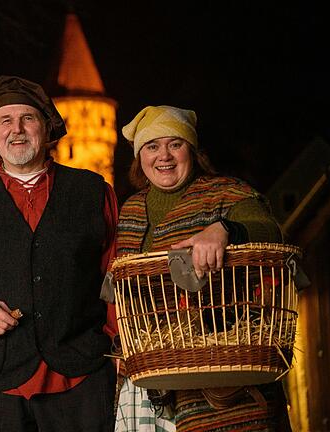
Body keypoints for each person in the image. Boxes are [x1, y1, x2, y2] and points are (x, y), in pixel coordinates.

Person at [0, 75, 119, 431]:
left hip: (80, 379)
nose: (17, 129)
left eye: (28, 119)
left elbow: (117, 276)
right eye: (6, 120)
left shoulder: (94, 192)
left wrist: (110, 344)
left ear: (46, 129)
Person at [113, 105, 290, 432]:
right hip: (151, 380)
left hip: (220, 370)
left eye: (175, 144)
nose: (163, 155)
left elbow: (268, 229)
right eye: (152, 146)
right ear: (140, 157)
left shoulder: (225, 192)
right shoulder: (132, 211)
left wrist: (224, 230)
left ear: (192, 151)